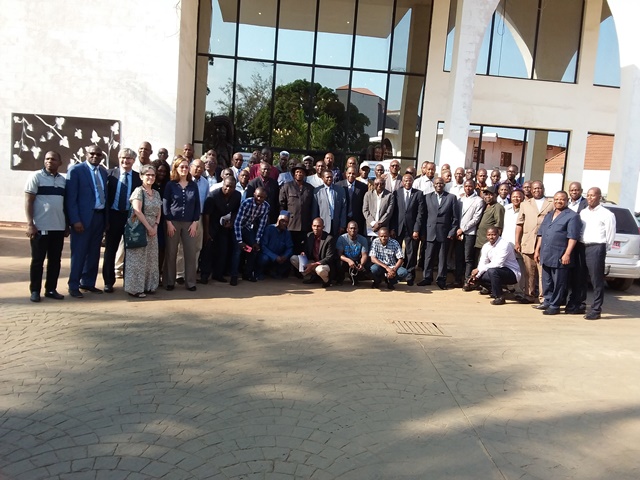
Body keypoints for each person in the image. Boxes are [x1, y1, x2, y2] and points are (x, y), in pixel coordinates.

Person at [65, 145, 109, 298]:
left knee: (94, 253)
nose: (95, 156)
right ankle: (73, 285)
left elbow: (106, 196)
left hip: (99, 217)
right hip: (82, 219)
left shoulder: (103, 172)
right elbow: (71, 199)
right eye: (92, 153)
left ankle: (88, 282)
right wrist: (75, 220)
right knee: (79, 253)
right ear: (86, 154)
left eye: (98, 154)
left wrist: (106, 220)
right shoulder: (76, 170)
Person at [25, 150, 68, 302]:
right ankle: (35, 291)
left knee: (55, 261)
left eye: (53, 159)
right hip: (40, 227)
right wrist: (30, 224)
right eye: (47, 159)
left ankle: (51, 289)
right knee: (38, 260)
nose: (50, 161)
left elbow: (65, 205)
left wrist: (66, 225)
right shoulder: (36, 177)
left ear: (60, 163)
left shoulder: (63, 181)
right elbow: (29, 201)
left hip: (58, 227)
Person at [534, 191, 581, 315]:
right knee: (546, 281)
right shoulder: (549, 215)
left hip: (560, 255)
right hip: (546, 253)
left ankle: (555, 306)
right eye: (556, 199)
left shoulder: (572, 216)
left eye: (561, 199)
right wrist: (537, 250)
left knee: (559, 283)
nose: (558, 201)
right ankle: (548, 301)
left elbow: (573, 237)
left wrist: (567, 254)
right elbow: (541, 234)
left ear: (566, 201)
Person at [102, 148, 142, 293]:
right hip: (113, 216)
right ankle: (108, 282)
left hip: (131, 216)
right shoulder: (110, 175)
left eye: (129, 158)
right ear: (119, 159)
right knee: (110, 250)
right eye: (123, 158)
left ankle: (129, 282)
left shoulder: (138, 178)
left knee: (130, 251)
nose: (126, 161)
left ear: (134, 160)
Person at [163, 156, 201, 291]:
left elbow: (197, 205)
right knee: (171, 252)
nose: (184, 169)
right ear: (176, 169)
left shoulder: (193, 185)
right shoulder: (170, 185)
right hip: (173, 222)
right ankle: (169, 281)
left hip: (189, 223)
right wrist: (168, 222)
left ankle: (190, 282)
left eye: (186, 167)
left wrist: (195, 222)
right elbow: (165, 205)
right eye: (181, 167)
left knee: (190, 253)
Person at [124, 165, 162, 298]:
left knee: (151, 259)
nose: (150, 177)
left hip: (153, 229)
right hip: (140, 227)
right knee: (137, 259)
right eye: (148, 175)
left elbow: (159, 211)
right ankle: (135, 288)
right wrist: (149, 227)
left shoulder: (156, 193)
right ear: (141, 176)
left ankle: (149, 285)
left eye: (153, 175)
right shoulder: (138, 191)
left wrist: (155, 226)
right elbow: (137, 211)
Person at [578, 187, 616, 320]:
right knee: (580, 278)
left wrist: (604, 249)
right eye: (588, 195)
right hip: (582, 246)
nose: (589, 198)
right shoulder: (583, 212)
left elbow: (610, 235)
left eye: (593, 195)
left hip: (597, 247)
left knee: (596, 280)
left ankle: (596, 309)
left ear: (599, 197)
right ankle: (580, 304)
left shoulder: (607, 214)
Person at [515, 181, 553, 304]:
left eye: (539, 188)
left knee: (543, 273)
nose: (537, 190)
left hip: (545, 243)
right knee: (528, 272)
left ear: (543, 189)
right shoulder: (525, 204)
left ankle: (543, 298)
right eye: (534, 188)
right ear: (531, 190)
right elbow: (519, 224)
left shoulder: (551, 204)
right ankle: (529, 295)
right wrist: (517, 242)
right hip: (528, 241)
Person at [418, 177, 459, 289]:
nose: (439, 185)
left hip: (444, 233)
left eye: (441, 183)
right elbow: (423, 216)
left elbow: (455, 218)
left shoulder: (451, 198)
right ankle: (427, 278)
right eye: (437, 183)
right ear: (433, 185)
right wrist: (423, 232)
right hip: (430, 231)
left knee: (442, 258)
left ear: (444, 185)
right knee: (428, 257)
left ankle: (441, 280)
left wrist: (452, 232)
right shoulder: (427, 197)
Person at [200, 176, 242, 284]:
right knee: (208, 250)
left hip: (224, 226)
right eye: (226, 186)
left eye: (231, 187)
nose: (228, 189)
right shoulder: (213, 195)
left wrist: (232, 221)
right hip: (211, 224)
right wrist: (207, 232)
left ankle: (218, 274)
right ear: (223, 185)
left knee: (223, 250)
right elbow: (206, 215)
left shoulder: (237, 196)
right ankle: (204, 275)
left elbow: (236, 211)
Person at [468, 227, 521, 305]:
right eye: (489, 235)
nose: (491, 237)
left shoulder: (504, 245)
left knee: (492, 271)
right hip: (497, 271)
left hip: (512, 273)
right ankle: (492, 290)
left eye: (493, 235)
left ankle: (499, 297)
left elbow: (497, 264)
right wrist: (476, 276)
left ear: (498, 234)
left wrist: (479, 269)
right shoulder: (486, 246)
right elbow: (483, 262)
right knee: (479, 274)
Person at [390, 174, 424, 286]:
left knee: (411, 253)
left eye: (410, 180)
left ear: (413, 181)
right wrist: (393, 228)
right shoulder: (397, 193)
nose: (407, 182)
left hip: (411, 229)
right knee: (396, 253)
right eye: (405, 180)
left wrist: (416, 229)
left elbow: (420, 214)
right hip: (398, 228)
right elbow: (393, 212)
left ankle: (410, 276)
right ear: (402, 182)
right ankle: (395, 274)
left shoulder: (418, 194)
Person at [233, 187, 270, 284]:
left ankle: (247, 274)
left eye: (262, 197)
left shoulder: (266, 206)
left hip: (248, 228)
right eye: (258, 196)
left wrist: (256, 241)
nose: (259, 199)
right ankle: (234, 276)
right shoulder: (246, 203)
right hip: (238, 228)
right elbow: (237, 223)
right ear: (254, 194)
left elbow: (262, 225)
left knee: (254, 249)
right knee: (237, 252)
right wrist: (240, 241)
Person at [290, 217, 335, 288]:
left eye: (318, 226)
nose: (316, 228)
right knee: (294, 258)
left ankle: (326, 281)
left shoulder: (329, 239)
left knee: (320, 270)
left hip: (323, 264)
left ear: (323, 227)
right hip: (312, 262)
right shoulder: (309, 236)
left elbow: (329, 258)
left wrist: (314, 264)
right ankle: (312, 277)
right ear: (311, 226)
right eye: (314, 226)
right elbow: (307, 251)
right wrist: (303, 254)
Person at [279, 163, 314, 251]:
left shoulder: (310, 188)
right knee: (289, 247)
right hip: (290, 224)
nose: (299, 174)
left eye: (301, 172)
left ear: (305, 174)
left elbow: (312, 206)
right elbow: (281, 204)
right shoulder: (287, 186)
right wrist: (283, 221)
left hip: (305, 224)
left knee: (302, 249)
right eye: (297, 172)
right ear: (294, 174)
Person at [457, 180, 485, 289]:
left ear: (474, 187)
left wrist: (463, 229)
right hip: (458, 232)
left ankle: (467, 281)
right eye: (466, 186)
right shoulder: (460, 199)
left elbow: (476, 219)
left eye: (470, 186)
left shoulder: (478, 201)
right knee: (458, 257)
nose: (468, 188)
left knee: (468, 258)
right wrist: (458, 230)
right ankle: (457, 279)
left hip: (469, 232)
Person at [257, 210, 294, 279]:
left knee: (290, 257)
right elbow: (263, 246)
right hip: (269, 255)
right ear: (278, 220)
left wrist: (285, 256)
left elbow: (290, 247)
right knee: (264, 259)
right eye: (282, 221)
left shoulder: (287, 233)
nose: (284, 223)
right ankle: (259, 272)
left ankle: (275, 272)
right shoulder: (269, 229)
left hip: (280, 257)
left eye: (286, 222)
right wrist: (274, 257)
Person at [312, 169, 347, 237]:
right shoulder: (317, 191)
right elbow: (314, 210)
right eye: (327, 177)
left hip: (336, 225)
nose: (330, 179)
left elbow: (343, 208)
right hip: (323, 225)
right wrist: (316, 226)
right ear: (322, 178)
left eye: (331, 177)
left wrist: (342, 225)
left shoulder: (340, 190)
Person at [336, 221, 369, 285]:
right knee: (339, 263)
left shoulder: (363, 239)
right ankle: (340, 279)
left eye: (355, 228)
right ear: (347, 229)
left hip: (357, 261)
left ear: (358, 229)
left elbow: (364, 255)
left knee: (364, 268)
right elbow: (339, 254)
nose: (353, 230)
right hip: (345, 261)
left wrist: (361, 264)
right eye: (351, 228)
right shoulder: (342, 238)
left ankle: (355, 278)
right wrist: (348, 260)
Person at [337, 166, 367, 235]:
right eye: (349, 173)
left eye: (353, 173)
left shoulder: (363, 187)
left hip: (357, 220)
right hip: (343, 219)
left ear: (357, 174)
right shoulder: (339, 185)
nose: (351, 175)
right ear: (345, 174)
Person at [475, 185, 505, 252]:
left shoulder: (498, 207)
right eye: (486, 194)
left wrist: (494, 243)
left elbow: (499, 226)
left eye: (490, 194)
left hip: (489, 243)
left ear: (496, 195)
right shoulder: (485, 205)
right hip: (479, 241)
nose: (488, 197)